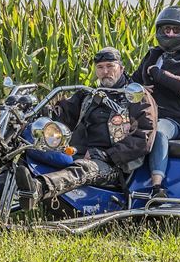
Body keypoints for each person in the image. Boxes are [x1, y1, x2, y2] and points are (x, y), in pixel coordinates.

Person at [14, 46, 158, 210]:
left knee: (85, 168)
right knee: (28, 151)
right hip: (77, 153)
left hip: (114, 164)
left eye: (110, 66)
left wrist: (106, 155)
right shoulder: (90, 94)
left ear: (121, 68)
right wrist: (39, 114)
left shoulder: (136, 96)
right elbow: (63, 113)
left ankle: (38, 189)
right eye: (100, 67)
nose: (105, 72)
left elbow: (142, 138)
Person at [131, 6, 180, 199]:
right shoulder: (153, 55)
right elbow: (134, 81)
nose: (170, 34)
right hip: (142, 112)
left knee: (158, 132)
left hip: (171, 119)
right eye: (166, 29)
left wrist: (158, 74)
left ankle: (157, 187)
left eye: (176, 30)